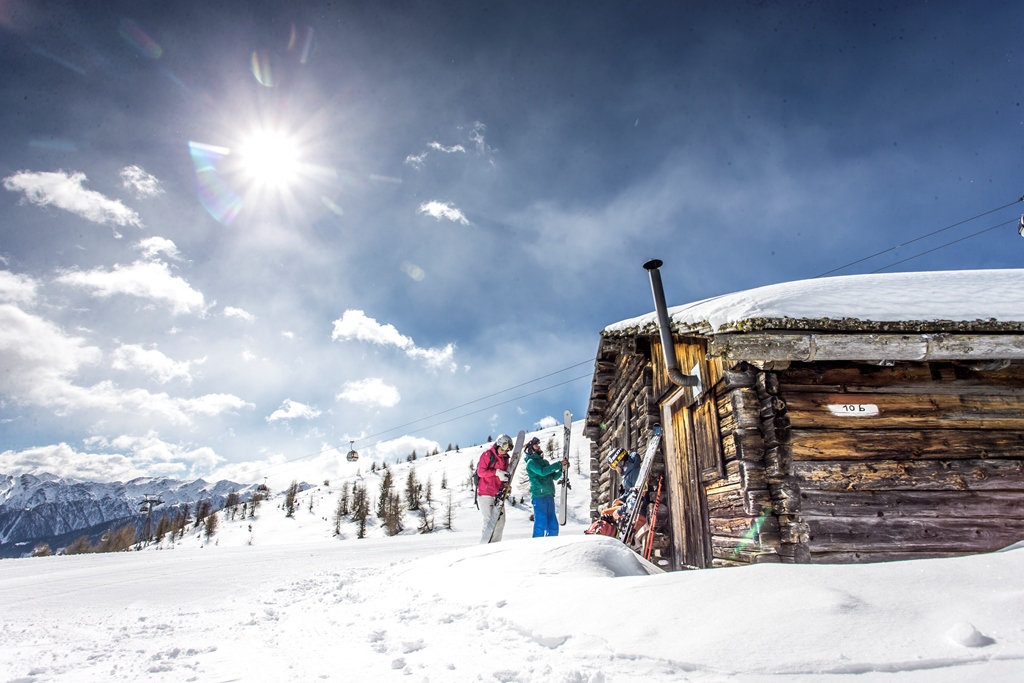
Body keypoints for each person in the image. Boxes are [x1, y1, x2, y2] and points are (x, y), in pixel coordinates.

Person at [524, 436, 570, 538]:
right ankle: (536, 545)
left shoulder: (544, 462)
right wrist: (558, 464)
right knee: (541, 523)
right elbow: (542, 472)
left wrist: (562, 469)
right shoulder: (531, 463)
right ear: (530, 449)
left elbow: (554, 477)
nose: (538, 446)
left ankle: (551, 545)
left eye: (538, 445)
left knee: (553, 525)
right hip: (539, 496)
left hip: (549, 495)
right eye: (536, 445)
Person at [477, 433, 514, 541]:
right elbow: (480, 472)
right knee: (489, 520)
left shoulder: (505, 459)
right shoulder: (487, 455)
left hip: (498, 494)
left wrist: (506, 485)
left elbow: (505, 475)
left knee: (501, 521)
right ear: (499, 444)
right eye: (504, 447)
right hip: (485, 493)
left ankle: (495, 545)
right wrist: (497, 472)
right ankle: (485, 544)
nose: (505, 451)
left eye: (507, 449)